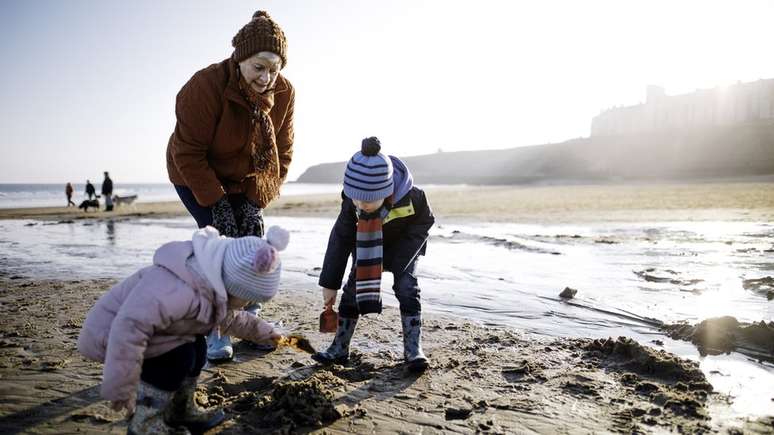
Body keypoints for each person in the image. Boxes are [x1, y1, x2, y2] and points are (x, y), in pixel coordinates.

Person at [166, 10, 295, 362]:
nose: (267, 77)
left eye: (274, 68)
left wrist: (255, 203)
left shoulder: (284, 93)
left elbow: (282, 154)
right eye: (259, 67)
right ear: (240, 59)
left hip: (249, 178)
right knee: (220, 251)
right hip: (195, 172)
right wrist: (218, 206)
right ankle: (217, 330)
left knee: (253, 247)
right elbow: (188, 153)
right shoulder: (203, 87)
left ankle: (249, 321)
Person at [77, 225, 289, 434]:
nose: (244, 305)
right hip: (110, 337)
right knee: (178, 357)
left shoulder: (211, 284)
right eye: (244, 299)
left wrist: (266, 333)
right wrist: (120, 386)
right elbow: (127, 330)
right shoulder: (174, 290)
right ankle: (145, 422)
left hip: (150, 334)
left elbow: (234, 320)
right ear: (230, 284)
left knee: (198, 349)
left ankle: (180, 409)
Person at [311, 137, 435, 372]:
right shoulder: (352, 203)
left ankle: (413, 349)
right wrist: (329, 283)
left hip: (404, 250)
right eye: (356, 197)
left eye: (369, 199)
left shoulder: (414, 197)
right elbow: (340, 238)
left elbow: (424, 224)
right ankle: (339, 346)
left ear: (387, 190)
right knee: (351, 290)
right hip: (367, 247)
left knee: (407, 287)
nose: (362, 205)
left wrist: (399, 262)